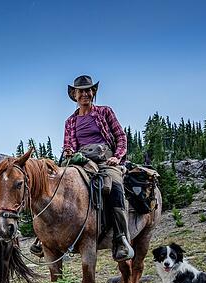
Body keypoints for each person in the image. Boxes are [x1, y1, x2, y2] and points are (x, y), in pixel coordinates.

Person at [31, 75, 134, 261]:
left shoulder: (105, 112)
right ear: (75, 95)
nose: (85, 94)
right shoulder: (70, 121)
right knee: (53, 187)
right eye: (81, 91)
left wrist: (117, 158)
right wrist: (70, 151)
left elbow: (120, 136)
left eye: (88, 90)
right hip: (80, 161)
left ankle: (120, 238)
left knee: (115, 187)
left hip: (105, 159)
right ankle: (43, 238)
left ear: (93, 92)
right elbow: (68, 144)